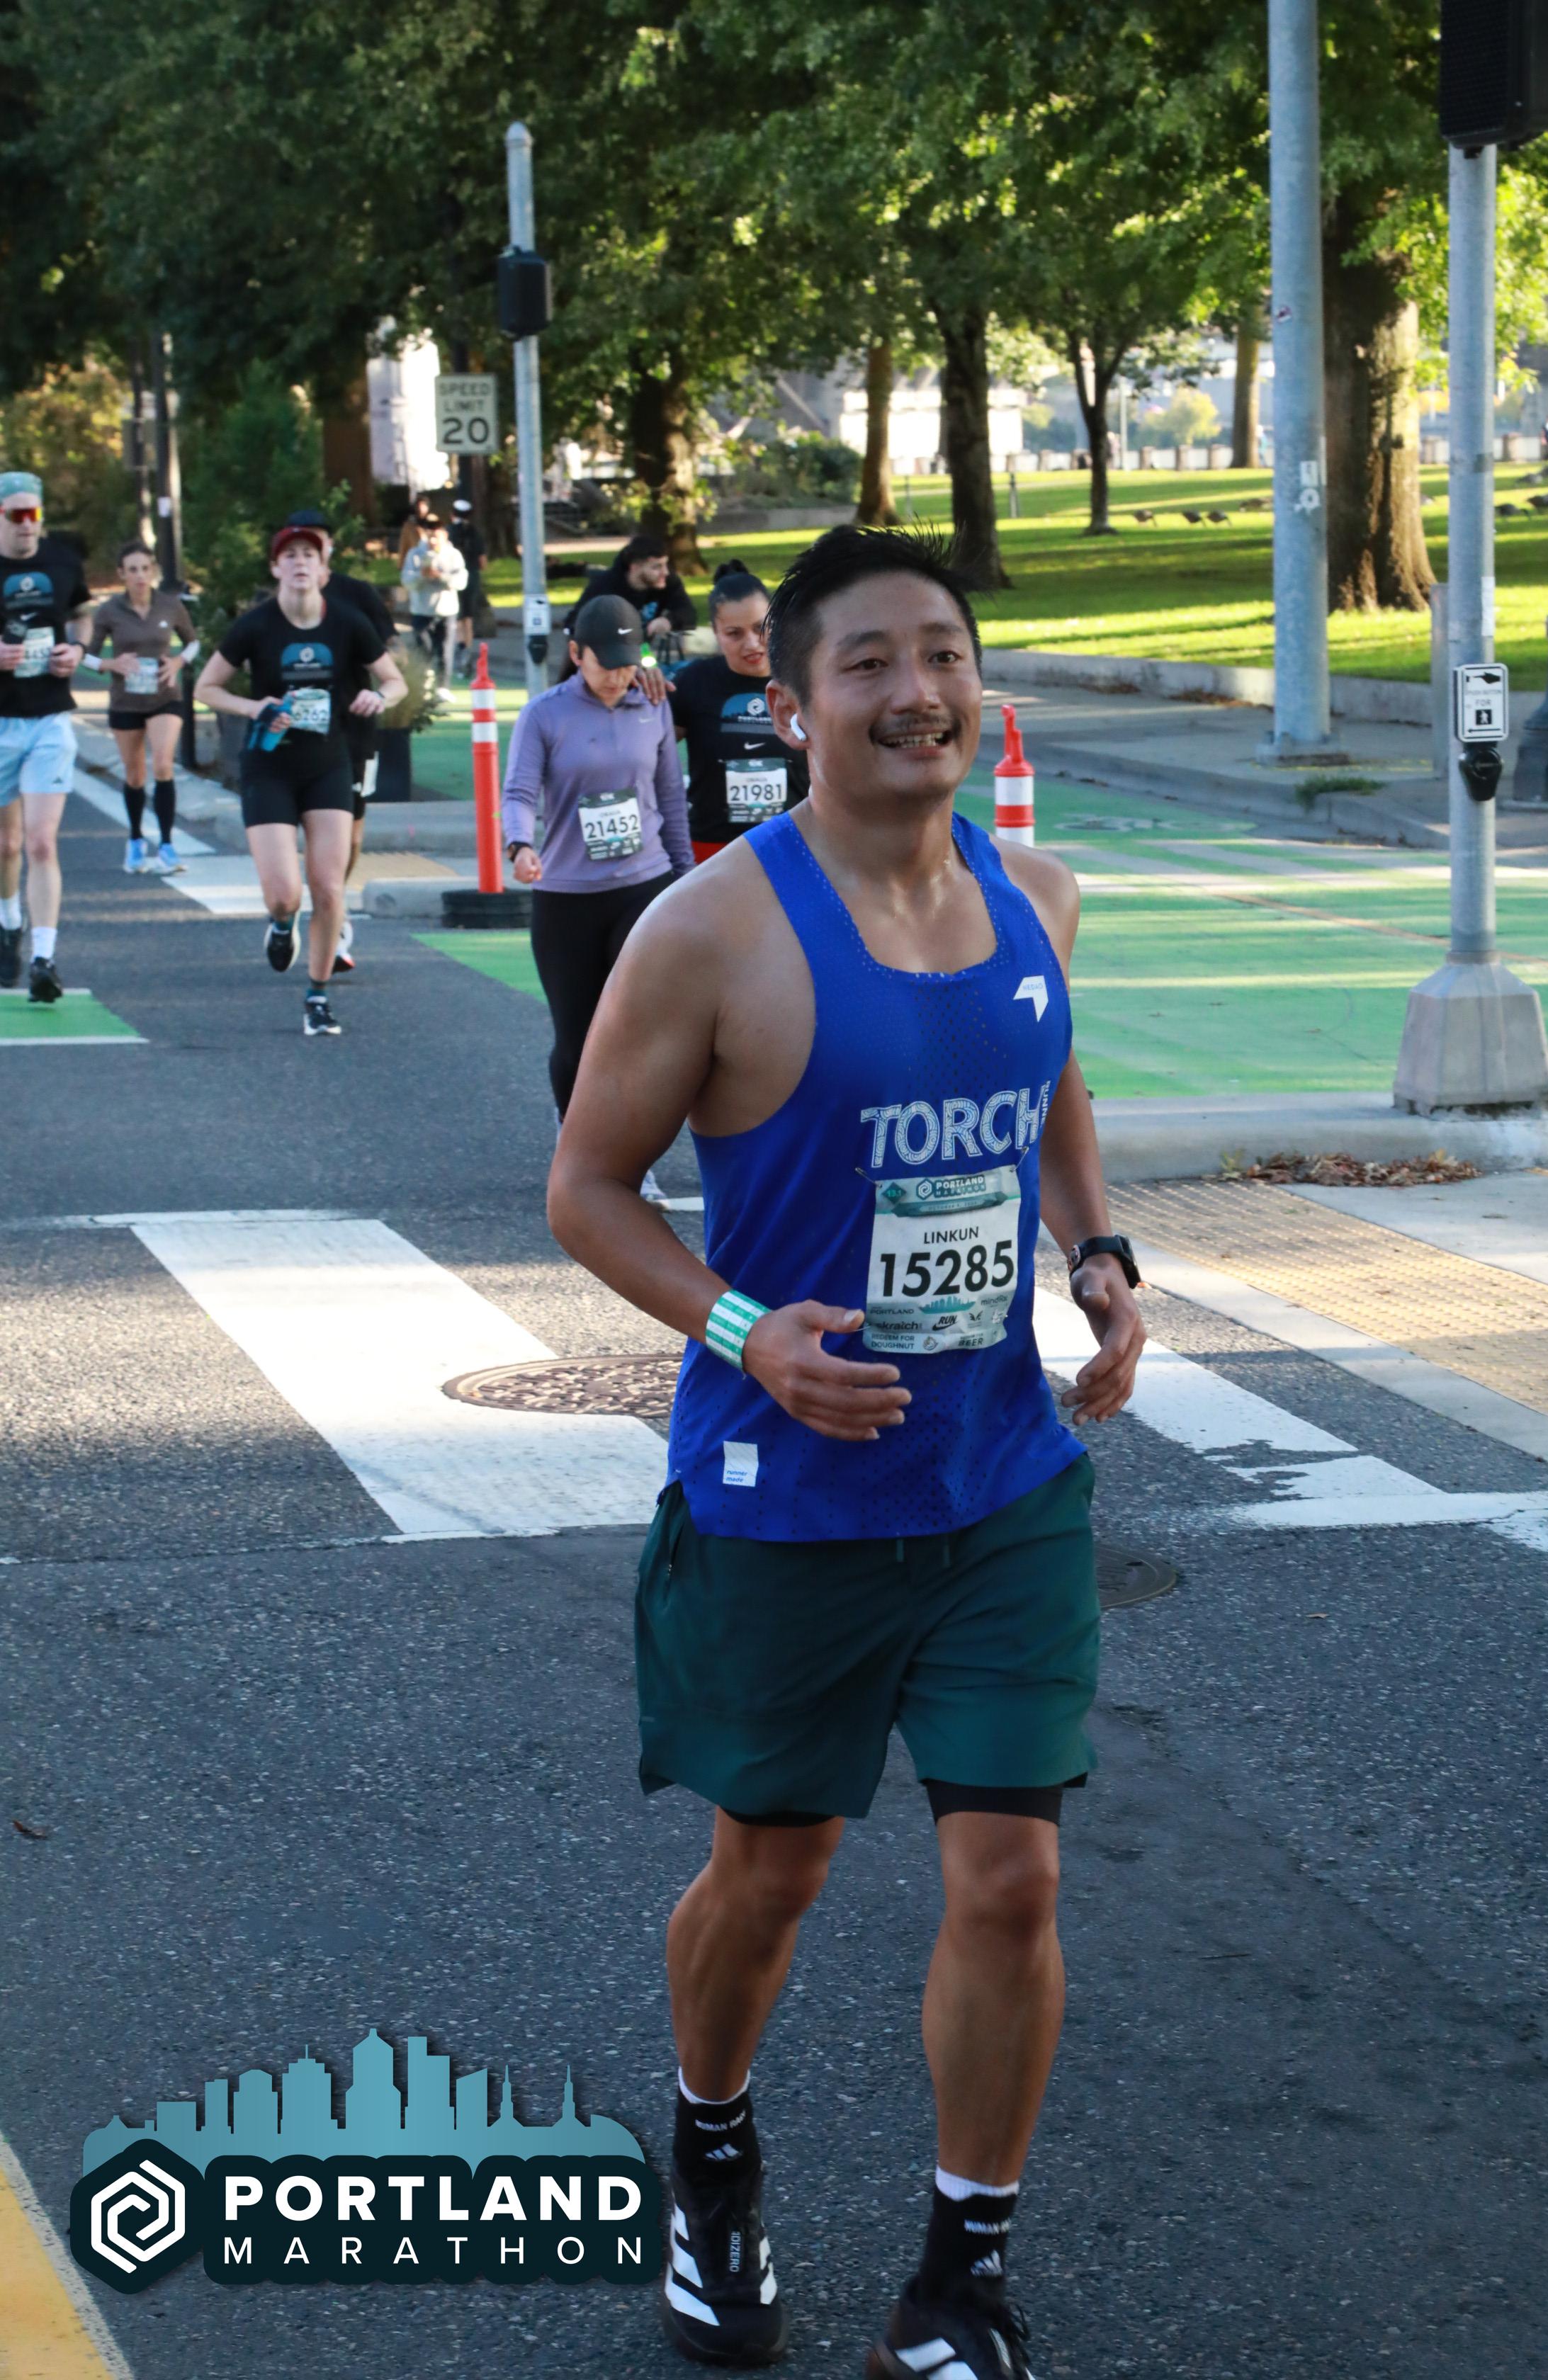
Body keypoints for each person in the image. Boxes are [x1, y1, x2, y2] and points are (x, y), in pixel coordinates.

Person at [546, 526, 1146, 2380]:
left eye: (942, 653)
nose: (916, 691)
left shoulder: (1034, 896)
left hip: (998, 1479)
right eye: (868, 662)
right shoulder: (709, 931)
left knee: (1014, 1878)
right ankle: (711, 2157)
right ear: (793, 704)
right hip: (787, 1498)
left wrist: (1097, 1253)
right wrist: (747, 1333)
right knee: (774, 1874)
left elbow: (1046, 1077)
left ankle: (960, 2280)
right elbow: (585, 1191)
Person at [501, 592, 693, 1189]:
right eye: (605, 663)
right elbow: (519, 793)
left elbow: (669, 798)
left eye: (628, 664)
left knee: (638, 1033)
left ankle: (634, 1161)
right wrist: (519, 845)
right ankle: (577, 1143)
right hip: (567, 897)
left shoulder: (651, 704)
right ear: (577, 653)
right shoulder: (545, 715)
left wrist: (684, 879)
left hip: (643, 886)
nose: (617, 676)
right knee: (577, 1039)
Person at [195, 526, 404, 1037]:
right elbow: (206, 687)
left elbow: (394, 680)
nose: (300, 562)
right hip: (269, 767)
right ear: (276, 568)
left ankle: (317, 996)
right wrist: (255, 707)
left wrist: (380, 697)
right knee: (285, 894)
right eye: (289, 555)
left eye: (309, 554)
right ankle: (282, 922)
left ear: (323, 568)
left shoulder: (349, 623)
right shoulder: (256, 625)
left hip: (328, 765)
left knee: (328, 888)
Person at [280, 509, 401, 975]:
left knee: (350, 836)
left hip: (354, 731)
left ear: (328, 548)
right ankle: (308, 906)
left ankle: (331, 904)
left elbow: (389, 655)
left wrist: (382, 692)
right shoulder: (280, 599)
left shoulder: (356, 595)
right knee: (298, 833)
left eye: (317, 543)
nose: (307, 555)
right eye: (297, 547)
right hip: (295, 740)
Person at [0, 469, 92, 1002]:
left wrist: (76, 650)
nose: (27, 524)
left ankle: (44, 959)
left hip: (50, 718)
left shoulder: (60, 560)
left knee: (39, 840)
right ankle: (9, 920)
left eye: (33, 514)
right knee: (7, 843)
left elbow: (81, 616)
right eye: (16, 515)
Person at [668, 562, 808, 862]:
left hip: (795, 843)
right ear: (716, 633)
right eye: (734, 633)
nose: (752, 644)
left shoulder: (804, 679)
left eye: (760, 628)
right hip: (714, 851)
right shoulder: (693, 682)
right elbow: (646, 747)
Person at [81, 541, 198, 877]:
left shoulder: (170, 605)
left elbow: (193, 642)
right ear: (122, 574)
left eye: (145, 569)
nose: (140, 576)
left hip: (165, 697)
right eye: (133, 570)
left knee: (163, 763)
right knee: (135, 775)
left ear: (153, 572)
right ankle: (135, 840)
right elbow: (86, 656)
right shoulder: (109, 611)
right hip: (126, 701)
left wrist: (178, 662)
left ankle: (167, 846)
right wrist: (112, 664)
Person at [567, 533, 697, 652]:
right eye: (657, 567)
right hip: (605, 655)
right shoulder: (605, 587)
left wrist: (668, 620)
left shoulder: (667, 583)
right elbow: (574, 623)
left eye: (665, 565)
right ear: (635, 567)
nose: (665, 572)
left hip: (641, 651)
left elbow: (688, 611)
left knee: (657, 669)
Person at [401, 520, 468, 698]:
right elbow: (407, 581)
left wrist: (442, 577)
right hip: (421, 611)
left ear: (444, 536)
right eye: (430, 536)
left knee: (445, 651)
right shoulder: (415, 554)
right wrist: (421, 576)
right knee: (424, 649)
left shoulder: (454, 555)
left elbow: (461, 581)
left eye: (437, 536)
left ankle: (443, 687)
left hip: (447, 611)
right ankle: (424, 686)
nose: (433, 541)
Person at [450, 497, 487, 679]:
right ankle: (469, 653)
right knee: (469, 619)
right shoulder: (475, 533)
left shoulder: (449, 532)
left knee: (458, 618)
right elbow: (483, 562)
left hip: (453, 578)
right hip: (472, 577)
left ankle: (460, 652)